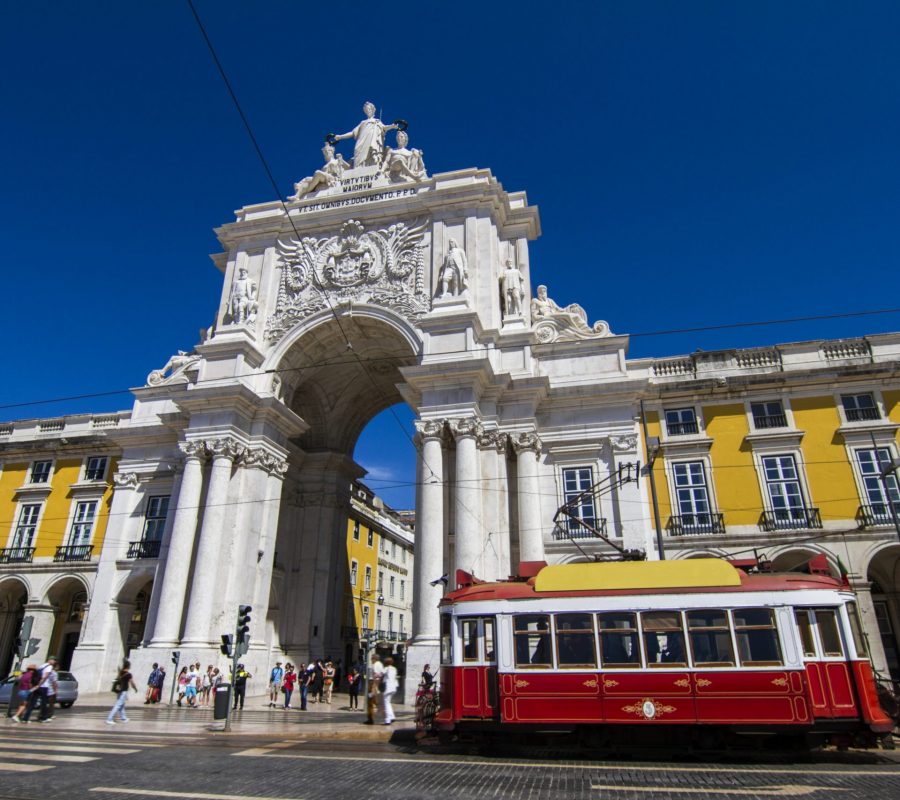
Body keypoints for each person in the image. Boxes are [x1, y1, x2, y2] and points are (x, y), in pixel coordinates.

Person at [334, 101, 398, 168]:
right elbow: (353, 133)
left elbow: (384, 128)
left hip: (372, 141)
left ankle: (372, 167)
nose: (368, 111)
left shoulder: (377, 121)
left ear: (373, 110)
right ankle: (358, 170)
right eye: (366, 110)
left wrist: (392, 126)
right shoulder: (362, 123)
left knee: (372, 152)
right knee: (357, 152)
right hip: (361, 142)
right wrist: (340, 137)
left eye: (369, 109)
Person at [20, 656, 58, 723]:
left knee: (32, 702)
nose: (55, 662)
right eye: (54, 660)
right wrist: (39, 684)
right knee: (44, 703)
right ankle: (43, 718)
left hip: (37, 686)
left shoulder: (42, 666)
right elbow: (45, 677)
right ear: (50, 660)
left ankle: (25, 718)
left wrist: (36, 685)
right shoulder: (49, 667)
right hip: (43, 686)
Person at [106, 659, 137, 725]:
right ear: (128, 666)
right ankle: (109, 719)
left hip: (119, 690)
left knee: (121, 705)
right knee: (118, 705)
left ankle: (124, 718)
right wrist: (135, 688)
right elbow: (132, 683)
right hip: (123, 691)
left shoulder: (121, 672)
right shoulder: (129, 674)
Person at [365, 652, 384, 725]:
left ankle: (370, 719)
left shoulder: (375, 665)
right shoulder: (381, 664)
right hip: (376, 683)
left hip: (372, 683)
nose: (371, 660)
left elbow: (376, 675)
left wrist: (374, 686)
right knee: (374, 700)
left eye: (371, 659)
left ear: (374, 659)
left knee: (370, 701)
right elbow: (381, 675)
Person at [381, 656, 399, 725]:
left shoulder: (386, 668)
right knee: (388, 702)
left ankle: (388, 719)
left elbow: (380, 674)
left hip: (388, 688)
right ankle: (392, 717)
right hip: (393, 688)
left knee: (386, 703)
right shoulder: (394, 668)